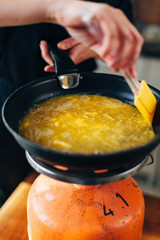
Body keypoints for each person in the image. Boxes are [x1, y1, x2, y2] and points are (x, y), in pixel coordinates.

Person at [0, 0, 144, 206]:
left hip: (81, 84)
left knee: (93, 198)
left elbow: (118, 13)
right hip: (9, 79)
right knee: (12, 191)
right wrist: (56, 9)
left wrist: (103, 42)